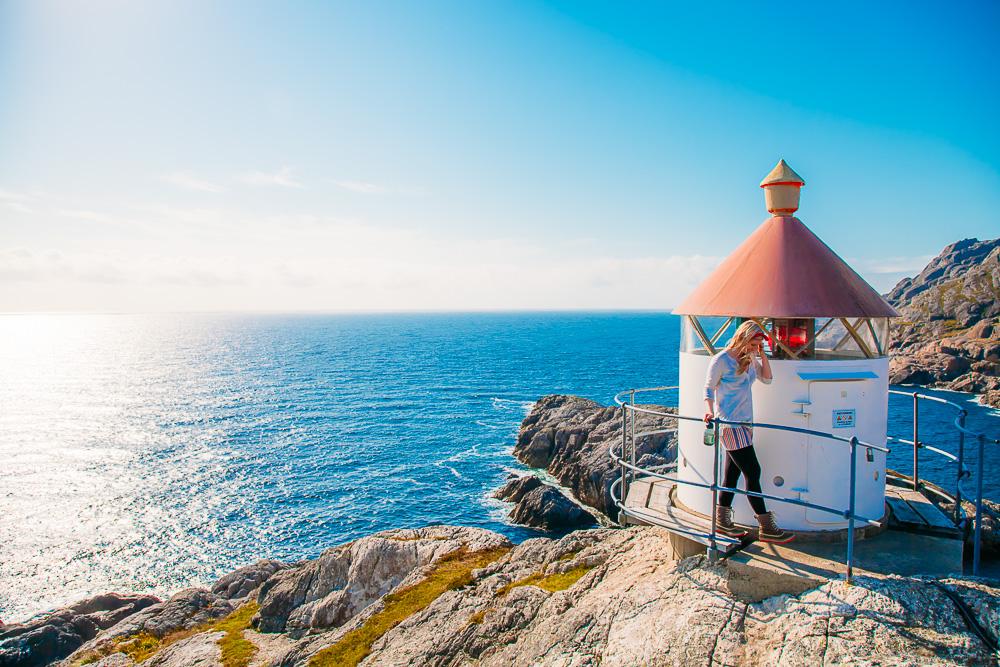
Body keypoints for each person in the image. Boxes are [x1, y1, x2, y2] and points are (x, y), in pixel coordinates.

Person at [703, 320, 794, 543]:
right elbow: (708, 388)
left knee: (731, 475)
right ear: (745, 337)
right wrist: (709, 412)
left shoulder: (749, 359)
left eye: (759, 343)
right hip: (730, 424)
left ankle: (722, 522)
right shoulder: (722, 360)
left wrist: (762, 355)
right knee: (753, 472)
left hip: (745, 424)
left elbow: (767, 379)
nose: (757, 346)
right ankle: (766, 526)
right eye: (755, 342)